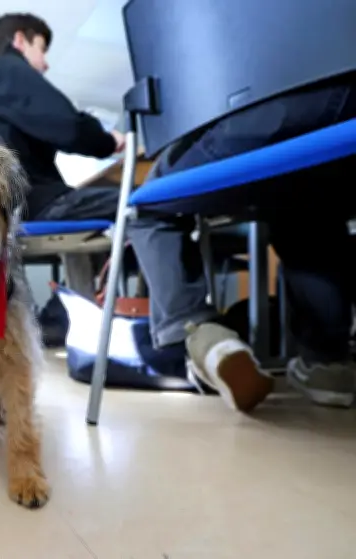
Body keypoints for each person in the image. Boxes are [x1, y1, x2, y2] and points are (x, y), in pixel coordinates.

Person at [128, 77, 356, 412]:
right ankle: (328, 364)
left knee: (150, 204)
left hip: (261, 114)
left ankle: (203, 335)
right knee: (306, 207)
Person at [0, 12, 125, 298]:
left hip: (9, 211)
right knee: (142, 200)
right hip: (36, 204)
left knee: (87, 203)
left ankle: (75, 314)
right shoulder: (8, 70)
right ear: (20, 40)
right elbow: (69, 127)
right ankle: (177, 318)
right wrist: (108, 140)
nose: (45, 63)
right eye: (42, 49)